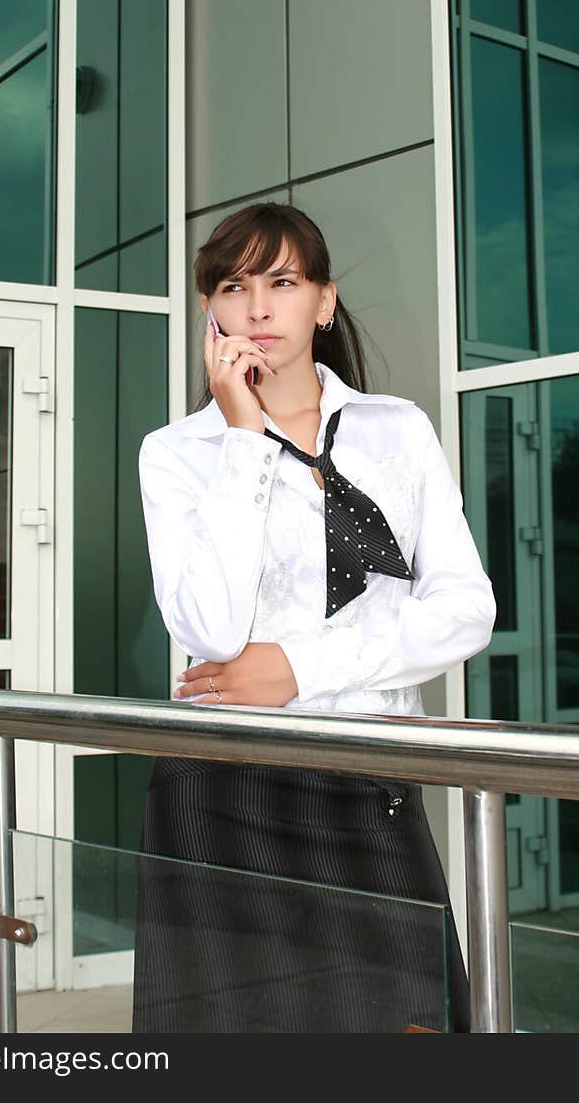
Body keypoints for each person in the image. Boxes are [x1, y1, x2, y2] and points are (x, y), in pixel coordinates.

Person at [131, 202, 496, 1033]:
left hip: (371, 778)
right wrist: (245, 441)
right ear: (210, 311)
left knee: (408, 1025)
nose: (258, 308)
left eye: (284, 282)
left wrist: (302, 668)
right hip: (224, 782)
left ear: (323, 303)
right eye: (234, 286)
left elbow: (465, 609)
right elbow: (212, 631)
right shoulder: (177, 452)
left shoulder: (399, 431)